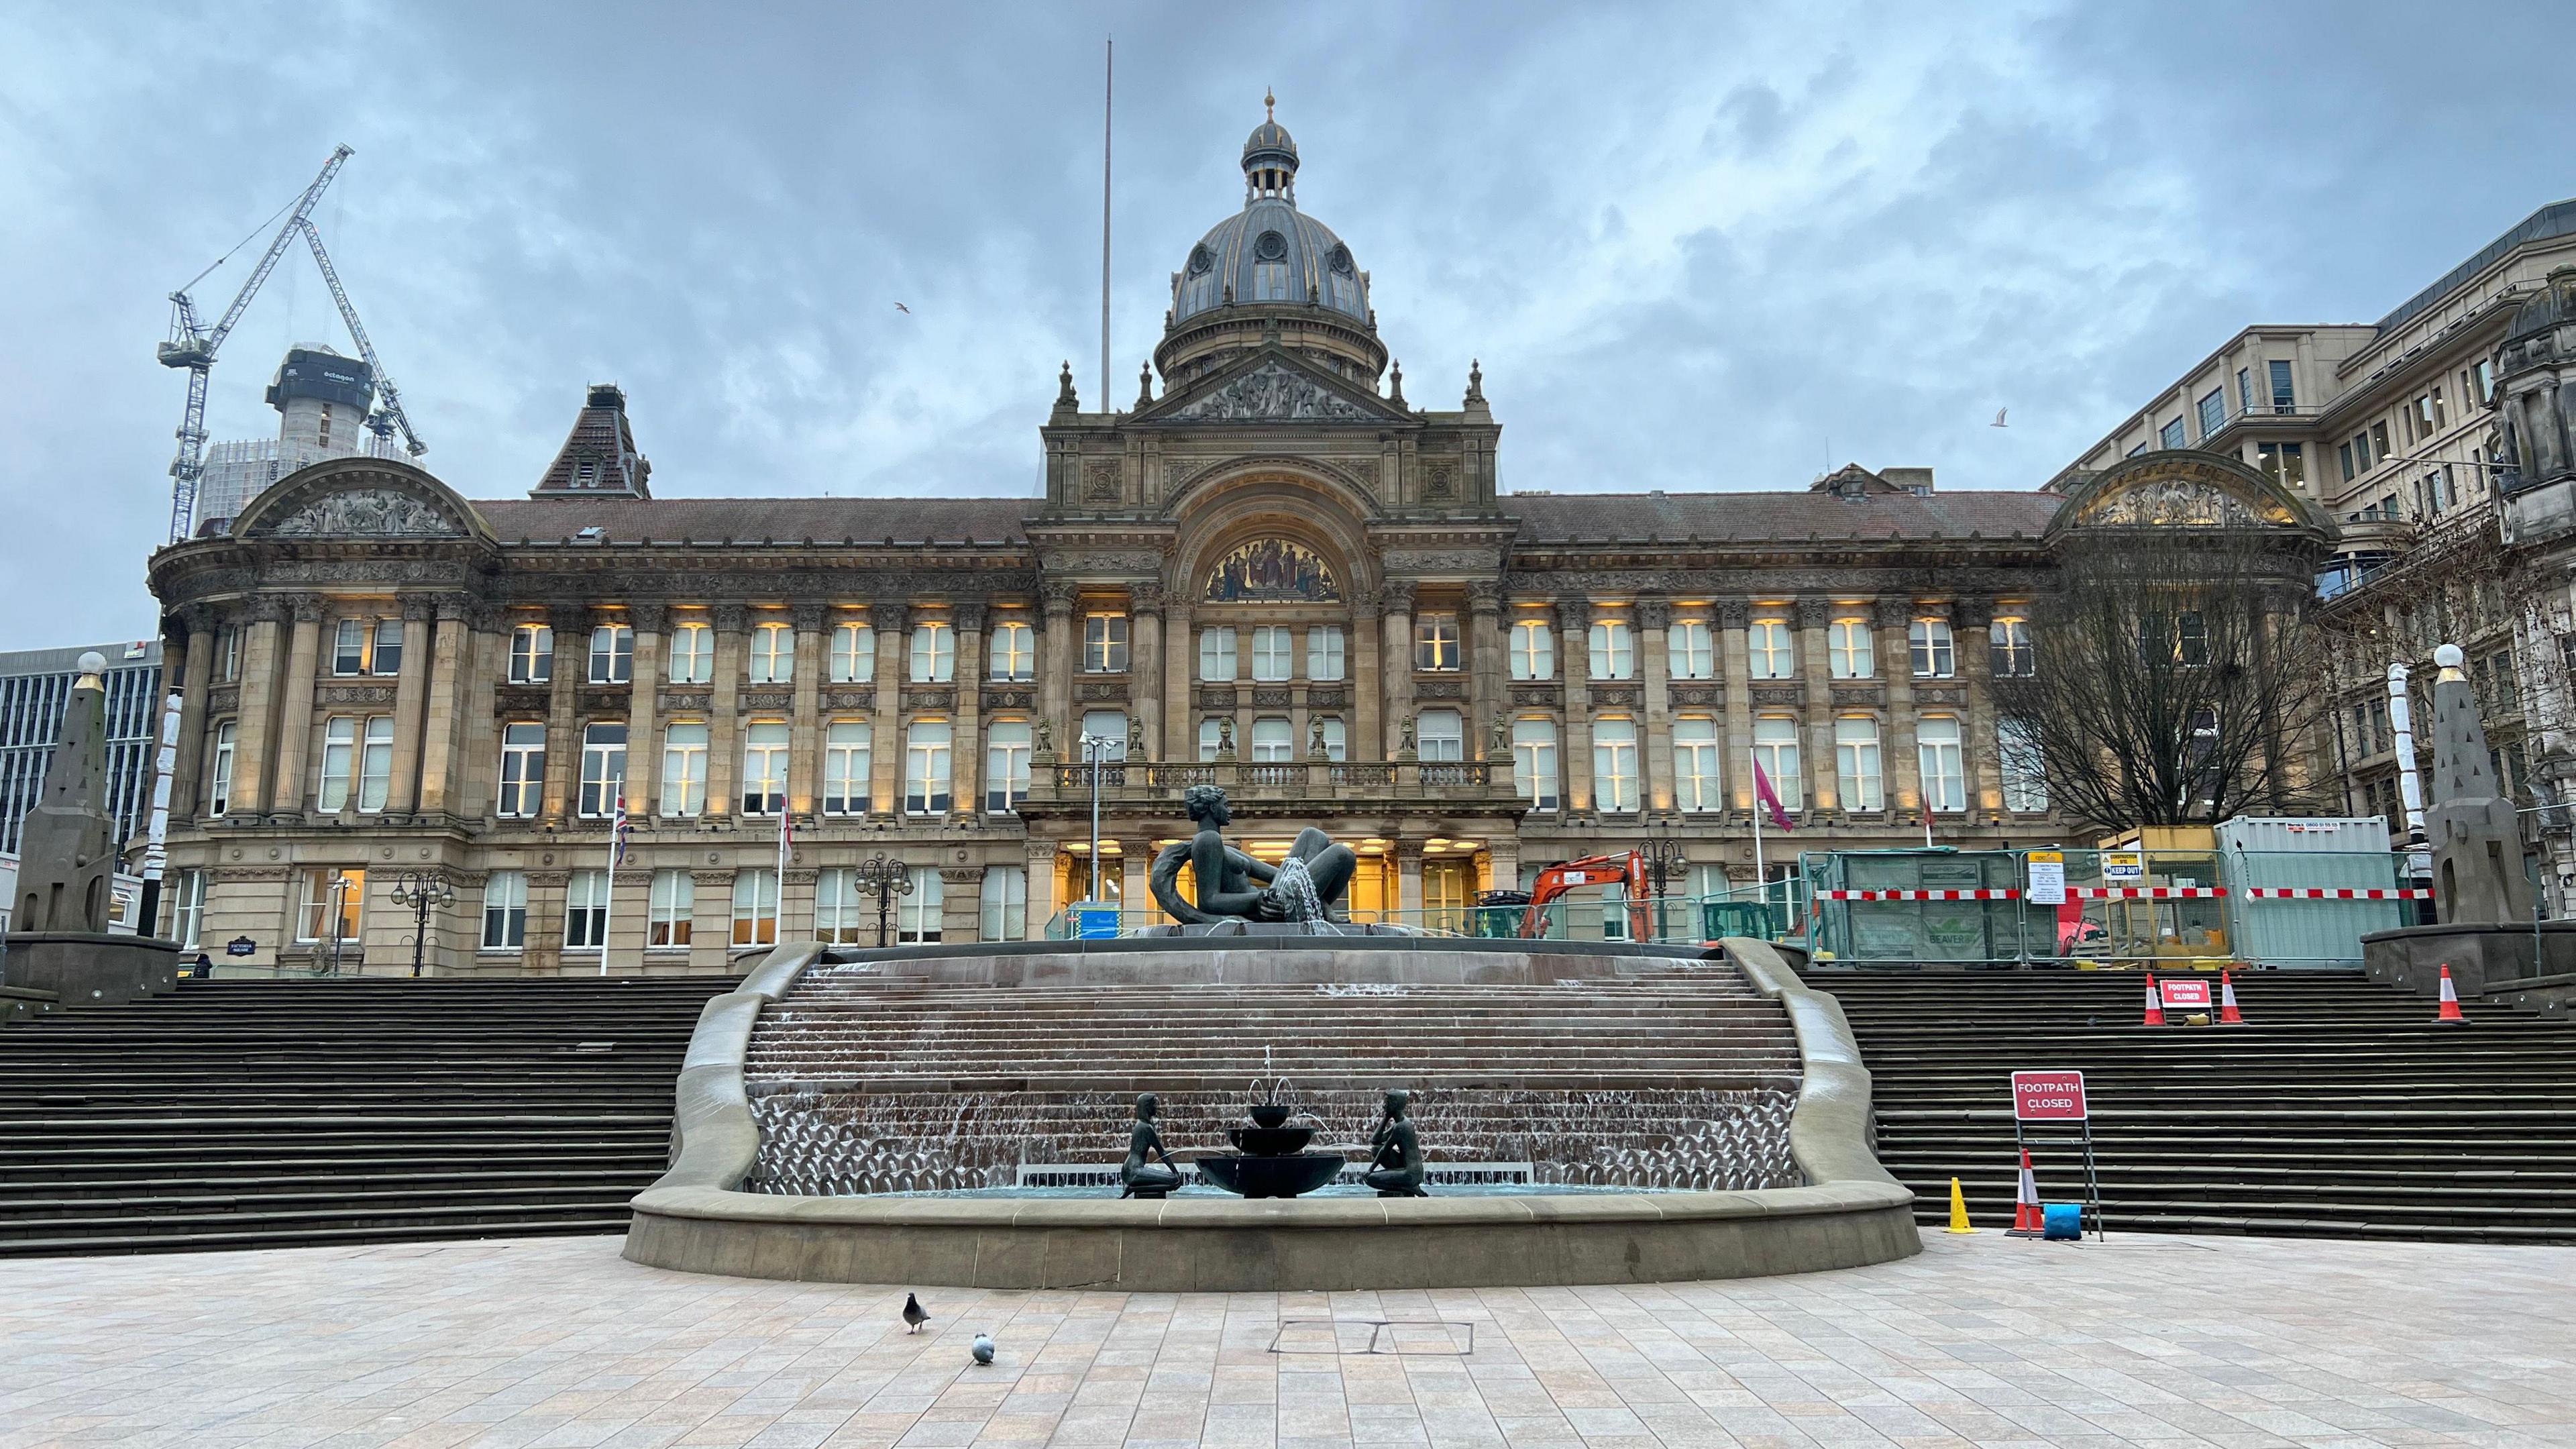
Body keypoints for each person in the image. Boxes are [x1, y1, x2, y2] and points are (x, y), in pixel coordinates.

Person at [1364, 1089, 1428, 1197]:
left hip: (1411, 1174)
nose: (1384, 1106)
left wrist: (1370, 1170)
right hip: (1409, 1170)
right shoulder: (1399, 1123)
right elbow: (1375, 1140)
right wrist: (1386, 1118)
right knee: (1376, 1149)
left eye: (1387, 1103)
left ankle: (1409, 1186)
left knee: (1370, 1179)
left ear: (1395, 1105)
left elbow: (1385, 1149)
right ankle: (1408, 1185)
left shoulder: (1402, 1126)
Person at [1120, 1093, 1185, 1198]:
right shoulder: (1146, 1127)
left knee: (1171, 1180)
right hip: (1134, 1172)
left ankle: (1131, 1187)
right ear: (1146, 1107)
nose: (1156, 1107)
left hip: (1128, 1170)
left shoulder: (1140, 1124)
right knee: (1173, 1181)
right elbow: (1161, 1152)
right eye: (1153, 1104)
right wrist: (1176, 1173)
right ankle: (1132, 1188)